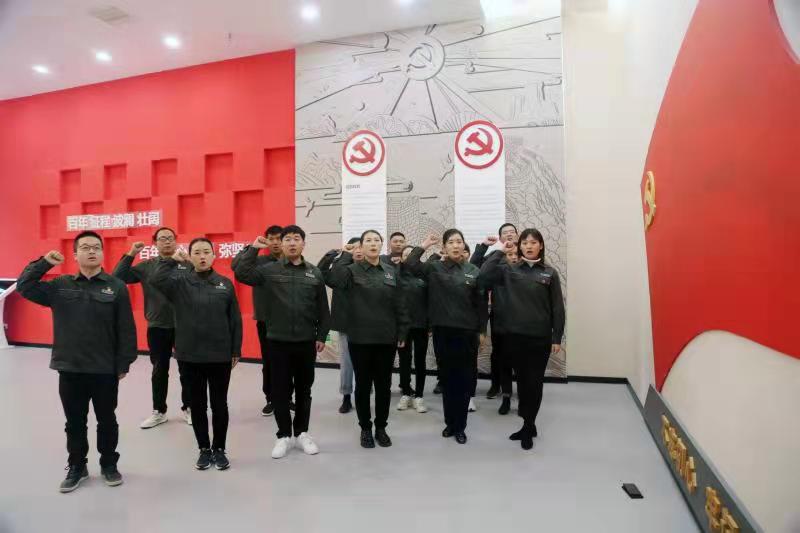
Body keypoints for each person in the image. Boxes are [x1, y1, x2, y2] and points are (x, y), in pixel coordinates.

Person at [16, 231, 137, 492]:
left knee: (107, 421)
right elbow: (24, 286)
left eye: (96, 247)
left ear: (102, 252)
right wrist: (44, 263)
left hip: (104, 369)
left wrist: (123, 363)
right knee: (74, 423)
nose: (91, 251)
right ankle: (77, 466)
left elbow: (126, 327)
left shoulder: (116, 286)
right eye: (85, 247)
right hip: (70, 367)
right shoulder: (60, 286)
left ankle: (109, 464)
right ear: (75, 254)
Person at [234, 225, 330, 459]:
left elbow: (323, 310)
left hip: (306, 341)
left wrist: (321, 336)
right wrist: (253, 249)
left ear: (303, 244)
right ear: (282, 244)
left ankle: (302, 433)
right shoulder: (268, 271)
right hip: (277, 341)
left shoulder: (314, 273)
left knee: (304, 390)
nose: (292, 243)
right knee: (280, 390)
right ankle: (284, 435)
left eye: (297, 239)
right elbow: (241, 273)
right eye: (288, 239)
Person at [151, 238, 242, 470]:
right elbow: (156, 280)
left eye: (206, 252)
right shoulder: (179, 283)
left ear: (214, 256)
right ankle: (204, 449)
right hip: (189, 355)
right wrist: (171, 260)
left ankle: (219, 449)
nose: (202, 256)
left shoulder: (224, 284)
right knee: (198, 405)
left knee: (219, 404)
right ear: (190, 257)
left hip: (220, 355)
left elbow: (234, 319)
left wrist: (235, 349)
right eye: (197, 252)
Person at [479, 229, 565, 450]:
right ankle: (529, 423)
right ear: (519, 246)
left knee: (534, 383)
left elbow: (557, 307)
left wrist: (556, 336)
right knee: (523, 383)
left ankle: (528, 426)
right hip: (514, 338)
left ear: (540, 246)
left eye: (533, 242)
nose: (529, 246)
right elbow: (484, 276)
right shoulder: (509, 270)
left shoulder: (549, 273)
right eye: (524, 243)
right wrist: (500, 250)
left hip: (540, 339)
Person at [326, 230, 409, 449]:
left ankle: (381, 427)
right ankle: (365, 428)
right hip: (360, 338)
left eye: (376, 240)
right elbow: (330, 278)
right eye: (368, 240)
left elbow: (400, 304)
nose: (373, 244)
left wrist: (402, 332)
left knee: (383, 386)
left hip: (386, 339)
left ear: (382, 245)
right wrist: (344, 254)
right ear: (361, 246)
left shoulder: (391, 271)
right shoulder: (350, 271)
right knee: (362, 386)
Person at [405, 230, 487, 444]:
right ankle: (450, 423)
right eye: (451, 242)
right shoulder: (434, 268)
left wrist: (482, 331)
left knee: (463, 381)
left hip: (467, 333)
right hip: (443, 332)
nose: (456, 245)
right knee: (448, 380)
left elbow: (480, 304)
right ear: (444, 247)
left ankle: (460, 426)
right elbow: (411, 265)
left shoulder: (473, 271)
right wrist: (424, 245)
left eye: (459, 241)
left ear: (463, 246)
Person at [112, 226, 193, 429]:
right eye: (162, 238)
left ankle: (190, 407)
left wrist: (192, 263)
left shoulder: (186, 264)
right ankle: (159, 411)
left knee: (188, 369)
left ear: (176, 240)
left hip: (185, 325)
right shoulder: (147, 266)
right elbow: (118, 277)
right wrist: (132, 253)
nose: (167, 241)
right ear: (155, 243)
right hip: (158, 326)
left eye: (170, 238)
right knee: (159, 370)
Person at [231, 224, 286, 417]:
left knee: (288, 362)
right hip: (266, 321)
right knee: (269, 361)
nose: (275, 242)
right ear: (266, 241)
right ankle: (271, 398)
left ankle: (287, 397)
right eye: (271, 239)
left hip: (289, 320)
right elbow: (236, 267)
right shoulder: (259, 261)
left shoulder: (292, 261)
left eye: (279, 238)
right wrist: (252, 248)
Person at [470, 223, 518, 400]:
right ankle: (496, 385)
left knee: (519, 354)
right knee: (498, 352)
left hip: (521, 315)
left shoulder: (524, 254)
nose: (509, 235)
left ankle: (519, 388)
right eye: (505, 233)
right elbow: (474, 266)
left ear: (518, 235)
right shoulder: (495, 255)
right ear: (501, 238)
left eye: (512, 232)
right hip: (499, 313)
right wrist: (483, 246)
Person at [317, 237, 363, 414]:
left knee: (365, 364)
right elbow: (321, 272)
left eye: (361, 247)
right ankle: (346, 397)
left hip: (367, 325)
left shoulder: (370, 268)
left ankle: (363, 395)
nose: (358, 250)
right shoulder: (340, 268)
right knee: (347, 363)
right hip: (346, 324)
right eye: (354, 248)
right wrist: (335, 255)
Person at [396, 245, 429, 413]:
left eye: (411, 254)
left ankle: (419, 396)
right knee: (404, 361)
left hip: (421, 325)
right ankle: (406, 393)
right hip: (403, 327)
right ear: (402, 258)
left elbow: (431, 302)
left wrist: (429, 324)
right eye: (406, 254)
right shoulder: (397, 275)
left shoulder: (424, 275)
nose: (409, 257)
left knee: (420, 361)